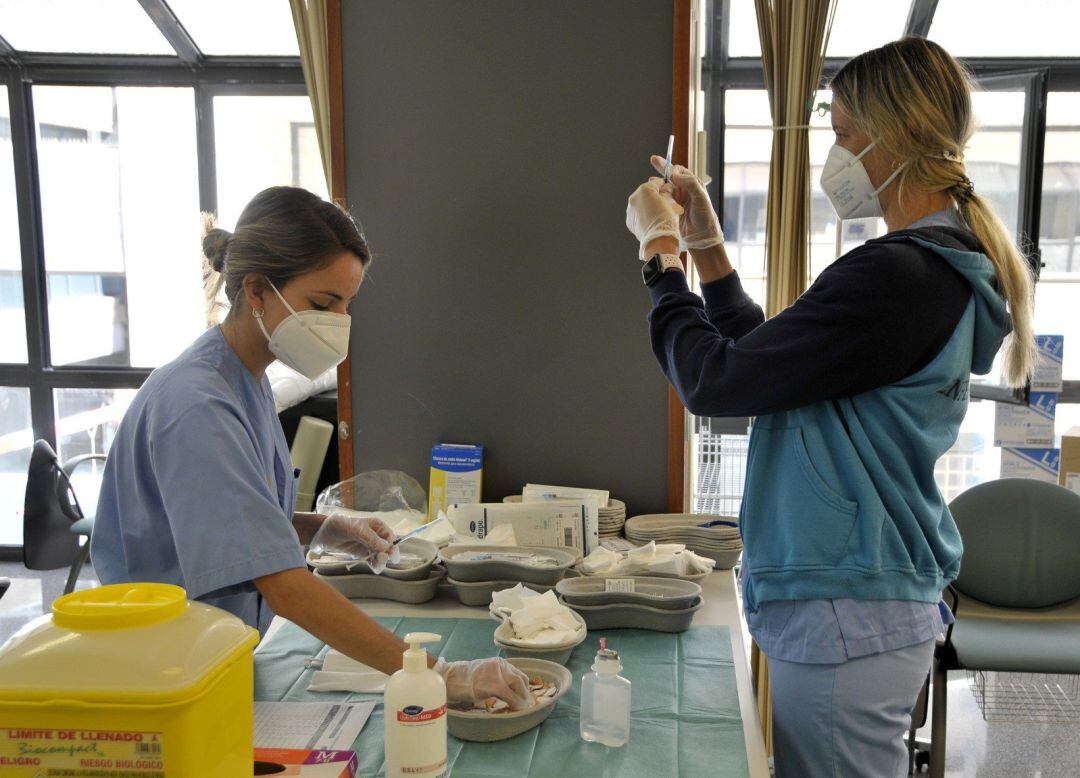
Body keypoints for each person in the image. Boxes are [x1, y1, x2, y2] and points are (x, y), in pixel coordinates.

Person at [625, 39, 1034, 777]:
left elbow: (715, 381)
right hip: (862, 599)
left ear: (895, 133)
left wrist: (661, 257)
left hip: (850, 605)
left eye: (844, 134)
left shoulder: (900, 276)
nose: (836, 154)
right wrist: (706, 244)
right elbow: (769, 363)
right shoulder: (922, 269)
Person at [92, 186, 532, 709]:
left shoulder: (244, 379)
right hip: (161, 673)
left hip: (213, 653)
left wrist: (319, 528)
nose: (339, 323)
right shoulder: (198, 405)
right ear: (256, 289)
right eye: (323, 304)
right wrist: (441, 674)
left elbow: (223, 523)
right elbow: (281, 583)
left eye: (347, 305)